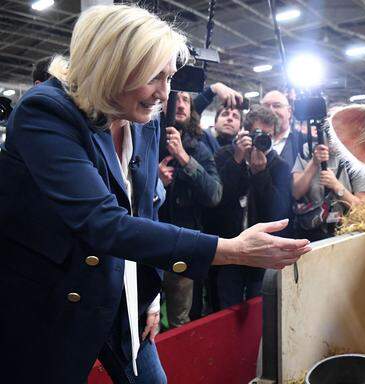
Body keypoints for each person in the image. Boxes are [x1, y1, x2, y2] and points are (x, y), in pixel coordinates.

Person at [0, 5, 309, 383]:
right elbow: (104, 223)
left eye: (169, 78)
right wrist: (231, 250)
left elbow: (144, 211)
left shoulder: (143, 117)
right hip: (51, 301)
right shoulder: (45, 112)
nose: (165, 93)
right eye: (154, 77)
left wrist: (150, 296)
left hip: (124, 295)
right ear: (111, 66)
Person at [210, 105, 292, 308]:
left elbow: (279, 211)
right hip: (229, 247)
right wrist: (237, 160)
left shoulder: (279, 165)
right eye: (257, 134)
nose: (262, 140)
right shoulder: (225, 155)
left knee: (260, 308)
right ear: (245, 132)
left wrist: (261, 175)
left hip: (262, 251)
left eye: (268, 135)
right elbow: (217, 201)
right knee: (226, 307)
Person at [158, 91, 223, 328]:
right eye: (176, 98)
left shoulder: (198, 149)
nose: (181, 104)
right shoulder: (144, 139)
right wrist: (156, 183)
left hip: (182, 244)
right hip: (145, 242)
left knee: (179, 321)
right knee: (143, 314)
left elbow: (214, 194)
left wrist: (184, 158)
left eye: (187, 100)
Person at [292, 141, 365, 241]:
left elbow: (363, 209)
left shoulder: (357, 156)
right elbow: (296, 193)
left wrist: (337, 186)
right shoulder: (308, 149)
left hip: (346, 233)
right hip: (310, 233)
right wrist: (313, 163)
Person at [261, 90, 304, 169]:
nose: (271, 110)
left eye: (277, 106)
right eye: (266, 106)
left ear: (289, 112)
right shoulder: (253, 140)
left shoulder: (303, 141)